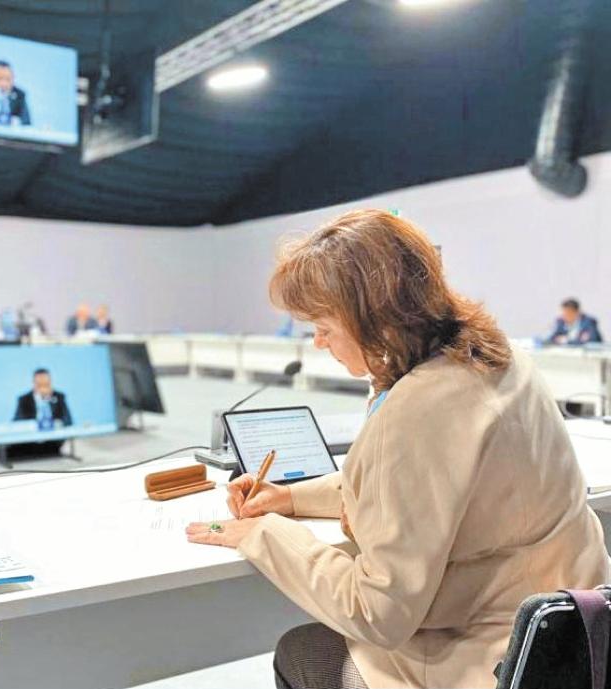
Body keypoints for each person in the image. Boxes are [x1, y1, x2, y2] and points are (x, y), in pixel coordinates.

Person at [186, 210, 609, 689]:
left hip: (492, 658)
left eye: (323, 326)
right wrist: (292, 498)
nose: (319, 342)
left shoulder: (415, 411)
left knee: (301, 651)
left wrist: (261, 534)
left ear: (375, 319)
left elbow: (376, 613)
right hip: (577, 637)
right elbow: (421, 486)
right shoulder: (499, 359)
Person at [4, 368, 72, 459]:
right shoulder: (24, 399)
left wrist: (56, 422)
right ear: (34, 383)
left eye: (46, 384)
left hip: (52, 440)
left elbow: (68, 420)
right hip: (31, 440)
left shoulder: (59, 397)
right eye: (39, 384)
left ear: (50, 382)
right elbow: (17, 422)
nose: (43, 387)